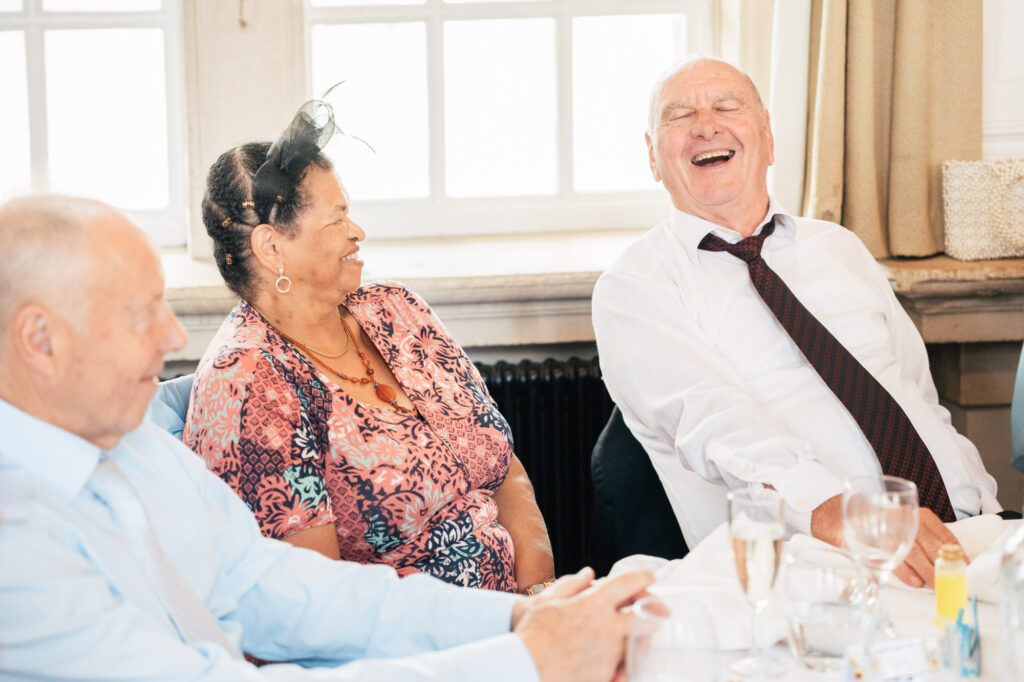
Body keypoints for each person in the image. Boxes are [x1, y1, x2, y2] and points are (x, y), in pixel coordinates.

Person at [0, 194, 652, 680]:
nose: (174, 338)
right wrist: (520, 662)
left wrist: (513, 620)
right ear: (41, 340)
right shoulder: (16, 540)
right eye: (143, 313)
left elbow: (278, 586)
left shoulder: (132, 446)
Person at [591, 57, 1000, 588]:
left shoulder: (839, 247)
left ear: (768, 137)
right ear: (652, 157)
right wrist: (856, 519)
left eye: (726, 107)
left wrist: (983, 515)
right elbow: (719, 428)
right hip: (821, 572)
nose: (706, 124)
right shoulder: (634, 288)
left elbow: (916, 394)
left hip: (979, 536)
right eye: (679, 116)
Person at [182, 98, 553, 593]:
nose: (357, 232)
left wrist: (537, 597)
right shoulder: (249, 383)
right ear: (272, 248)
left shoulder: (396, 310)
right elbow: (317, 601)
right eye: (336, 219)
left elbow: (503, 468)